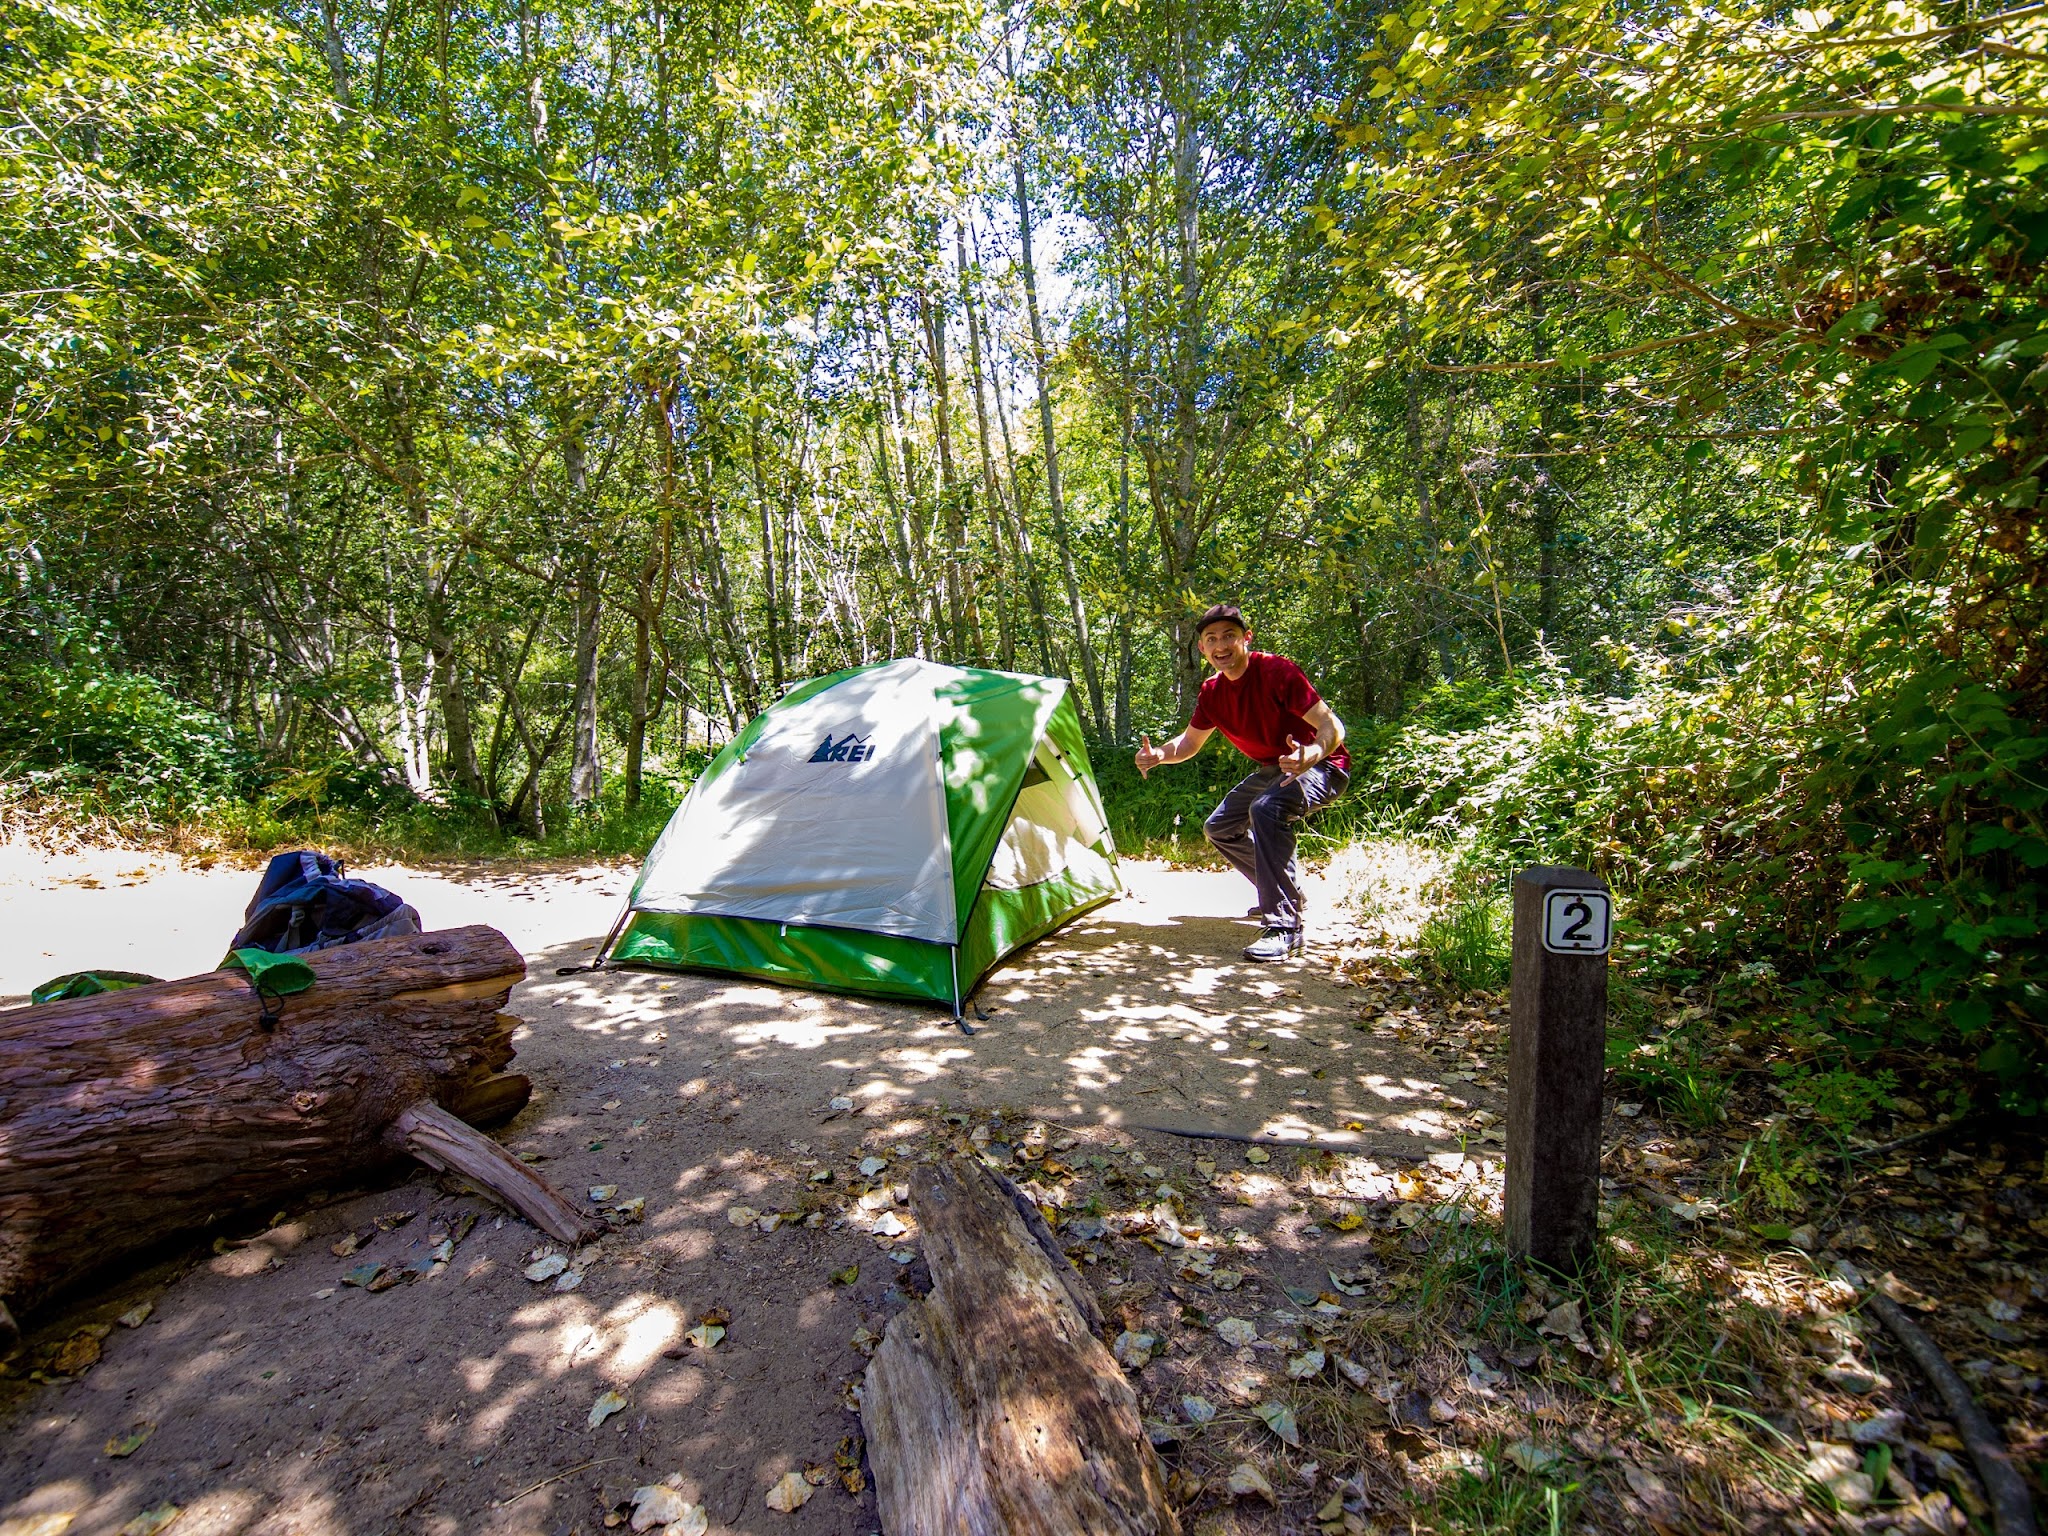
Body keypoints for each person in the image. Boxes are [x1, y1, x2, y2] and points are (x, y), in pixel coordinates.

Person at [1134, 604, 1349, 961]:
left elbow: (1333, 727)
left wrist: (1312, 752)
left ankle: (1285, 926)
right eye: (1211, 638)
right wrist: (1159, 754)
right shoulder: (1212, 693)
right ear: (1202, 649)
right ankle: (1285, 891)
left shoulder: (1277, 672)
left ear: (1246, 638)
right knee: (1219, 827)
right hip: (1275, 769)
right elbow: (1188, 744)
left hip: (1324, 765)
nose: (1221, 645)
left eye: (1229, 636)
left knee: (1267, 809)